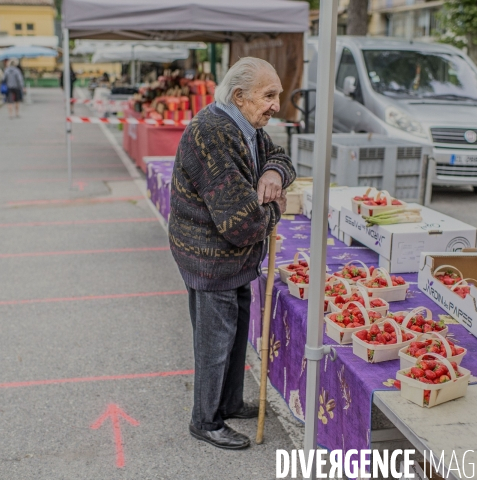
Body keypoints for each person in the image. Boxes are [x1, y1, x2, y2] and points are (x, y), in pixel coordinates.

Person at [169, 57, 296, 450]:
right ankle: (205, 419)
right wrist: (277, 208)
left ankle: (228, 401)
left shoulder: (247, 126)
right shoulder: (214, 133)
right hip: (211, 257)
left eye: (277, 94)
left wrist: (273, 175)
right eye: (269, 96)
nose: (277, 105)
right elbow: (243, 224)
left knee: (237, 330)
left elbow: (283, 159)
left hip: (234, 257)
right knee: (215, 338)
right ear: (240, 96)